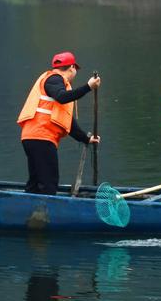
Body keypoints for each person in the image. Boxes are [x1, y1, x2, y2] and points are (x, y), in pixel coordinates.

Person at [17, 51, 100, 195]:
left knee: (36, 182)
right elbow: (62, 97)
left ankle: (28, 209)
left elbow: (67, 121)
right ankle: (46, 214)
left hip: (34, 137)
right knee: (49, 183)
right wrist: (88, 87)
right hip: (41, 137)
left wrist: (86, 138)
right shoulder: (55, 79)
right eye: (75, 69)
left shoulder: (57, 83)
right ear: (72, 68)